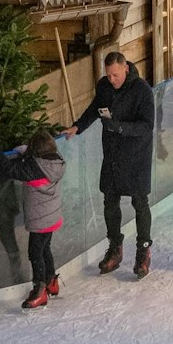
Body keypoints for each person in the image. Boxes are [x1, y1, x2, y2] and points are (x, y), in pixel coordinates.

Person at [66, 52, 156, 277]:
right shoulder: (104, 87)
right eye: (108, 75)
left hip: (137, 156)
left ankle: (143, 250)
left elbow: (147, 125)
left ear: (126, 68)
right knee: (110, 200)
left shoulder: (142, 90)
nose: (112, 79)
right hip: (113, 155)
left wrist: (121, 127)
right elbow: (94, 108)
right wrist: (77, 127)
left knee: (139, 202)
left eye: (115, 75)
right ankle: (115, 248)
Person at [0, 130, 66, 308]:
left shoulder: (34, 170)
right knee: (44, 248)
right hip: (52, 217)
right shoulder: (56, 161)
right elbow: (35, 161)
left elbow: (11, 169)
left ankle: (39, 289)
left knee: (35, 253)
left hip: (41, 221)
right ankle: (51, 282)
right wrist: (27, 151)